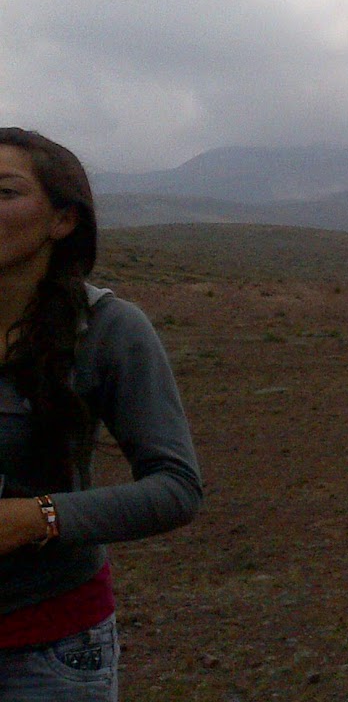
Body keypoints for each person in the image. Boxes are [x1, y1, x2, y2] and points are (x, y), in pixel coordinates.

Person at [0, 128, 203, 697]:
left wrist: (33, 519)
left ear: (63, 220)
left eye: (5, 192)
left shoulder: (108, 330)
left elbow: (177, 487)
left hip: (46, 652)